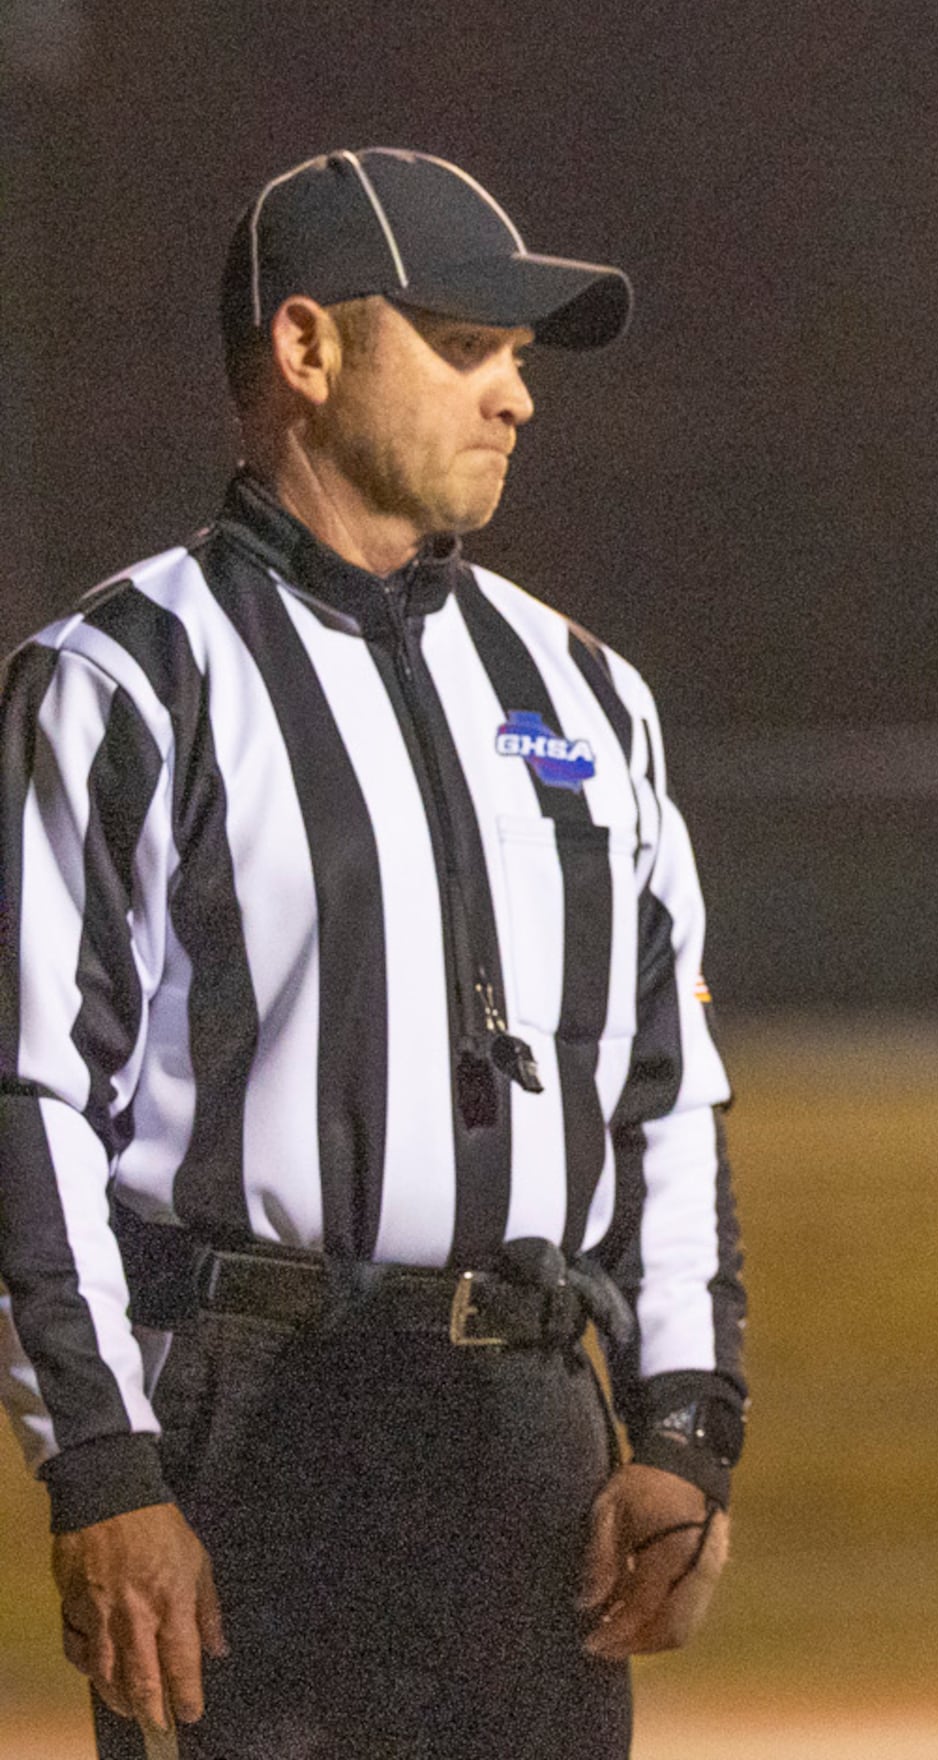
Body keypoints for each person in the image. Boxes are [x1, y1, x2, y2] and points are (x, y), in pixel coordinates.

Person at [0, 148, 747, 1757]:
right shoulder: (126, 678)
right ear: (306, 349)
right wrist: (104, 1469)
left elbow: (668, 1092)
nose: (515, 399)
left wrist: (684, 1427)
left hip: (526, 1439)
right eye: (466, 346)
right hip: (254, 1424)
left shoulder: (587, 692)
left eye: (522, 363)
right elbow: (30, 1097)